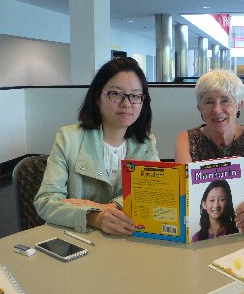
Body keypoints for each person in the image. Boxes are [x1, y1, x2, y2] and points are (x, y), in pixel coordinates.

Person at [34, 57, 159, 235]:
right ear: (97, 97)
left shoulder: (146, 144)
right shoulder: (69, 139)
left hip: (128, 240)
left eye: (135, 96)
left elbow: (153, 194)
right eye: (116, 94)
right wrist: (94, 217)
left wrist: (102, 206)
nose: (127, 104)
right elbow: (46, 201)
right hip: (78, 240)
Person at [175, 69, 244, 232]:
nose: (217, 110)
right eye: (209, 102)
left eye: (225, 100)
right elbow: (184, 192)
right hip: (206, 229)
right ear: (199, 107)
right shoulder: (185, 140)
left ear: (239, 104)